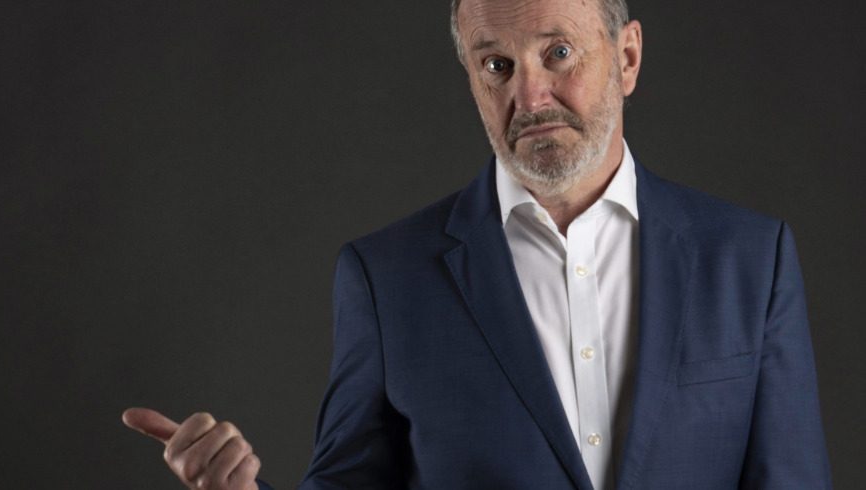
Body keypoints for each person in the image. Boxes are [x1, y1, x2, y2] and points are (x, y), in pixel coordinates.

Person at [122, 0, 832, 488]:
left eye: (558, 53)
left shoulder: (750, 259)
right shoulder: (386, 278)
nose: (530, 96)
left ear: (628, 57)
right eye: (496, 65)